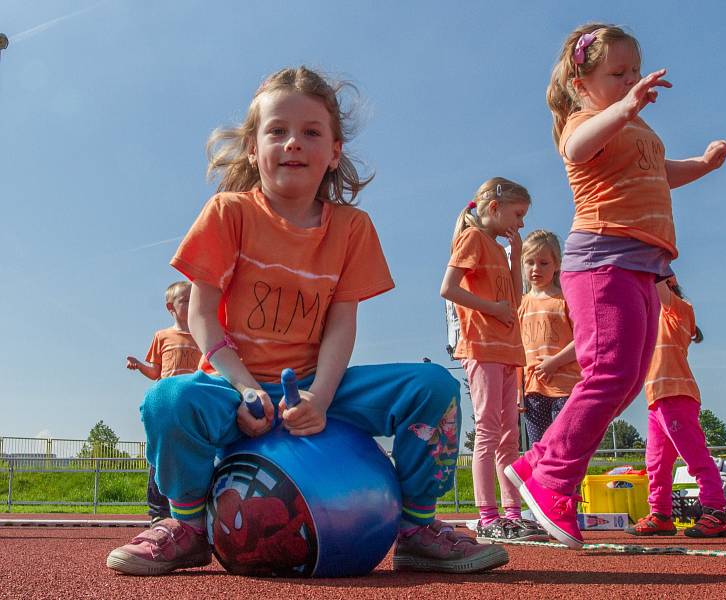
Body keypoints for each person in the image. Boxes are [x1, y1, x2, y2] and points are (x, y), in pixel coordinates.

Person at [106, 66, 508, 576]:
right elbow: (203, 316)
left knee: (431, 385)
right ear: (254, 148)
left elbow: (343, 325)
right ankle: (186, 525)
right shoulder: (227, 212)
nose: (293, 142)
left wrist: (319, 398)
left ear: (334, 151)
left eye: (311, 132)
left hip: (320, 389)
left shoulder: (352, 227)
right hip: (234, 392)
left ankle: (415, 528)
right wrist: (247, 388)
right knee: (166, 398)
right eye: (277, 131)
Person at [504, 23, 726, 549]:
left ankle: (535, 462)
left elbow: (660, 173)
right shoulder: (584, 122)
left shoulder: (636, 132)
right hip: (601, 260)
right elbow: (577, 147)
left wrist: (702, 163)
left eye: (635, 70)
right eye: (619, 73)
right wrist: (625, 107)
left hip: (640, 266)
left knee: (628, 379)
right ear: (581, 82)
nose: (633, 80)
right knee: (609, 372)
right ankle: (552, 480)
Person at [440, 177, 540, 543]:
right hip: (482, 347)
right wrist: (492, 309)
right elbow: (447, 288)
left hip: (507, 349)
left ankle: (512, 513)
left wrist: (514, 258)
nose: (522, 223)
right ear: (495, 208)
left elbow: (515, 298)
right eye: (518, 214)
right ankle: (487, 515)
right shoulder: (471, 239)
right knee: (488, 431)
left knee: (510, 437)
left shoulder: (498, 247)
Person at [627, 277, 726, 538]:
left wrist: (651, 263)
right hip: (657, 401)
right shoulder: (650, 319)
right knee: (655, 462)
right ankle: (661, 514)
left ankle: (715, 510)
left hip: (677, 397)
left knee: (695, 456)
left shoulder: (679, 310)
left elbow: (658, 287)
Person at [126, 280, 202, 525]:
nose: (192, 304)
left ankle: (200, 509)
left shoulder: (204, 334)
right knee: (161, 455)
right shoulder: (162, 336)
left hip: (193, 405)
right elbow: (156, 372)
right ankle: (159, 512)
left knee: (196, 454)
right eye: (186, 300)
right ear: (171, 306)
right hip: (166, 406)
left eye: (195, 298)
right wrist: (139, 366)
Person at [517, 230, 580, 447]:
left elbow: (583, 340)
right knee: (539, 450)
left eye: (543, 263)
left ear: (557, 265)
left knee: (564, 447)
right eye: (530, 262)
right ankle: (541, 483)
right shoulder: (521, 304)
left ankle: (570, 483)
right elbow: (516, 350)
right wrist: (518, 390)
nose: (536, 269)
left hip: (566, 388)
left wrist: (555, 362)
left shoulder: (566, 300)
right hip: (533, 391)